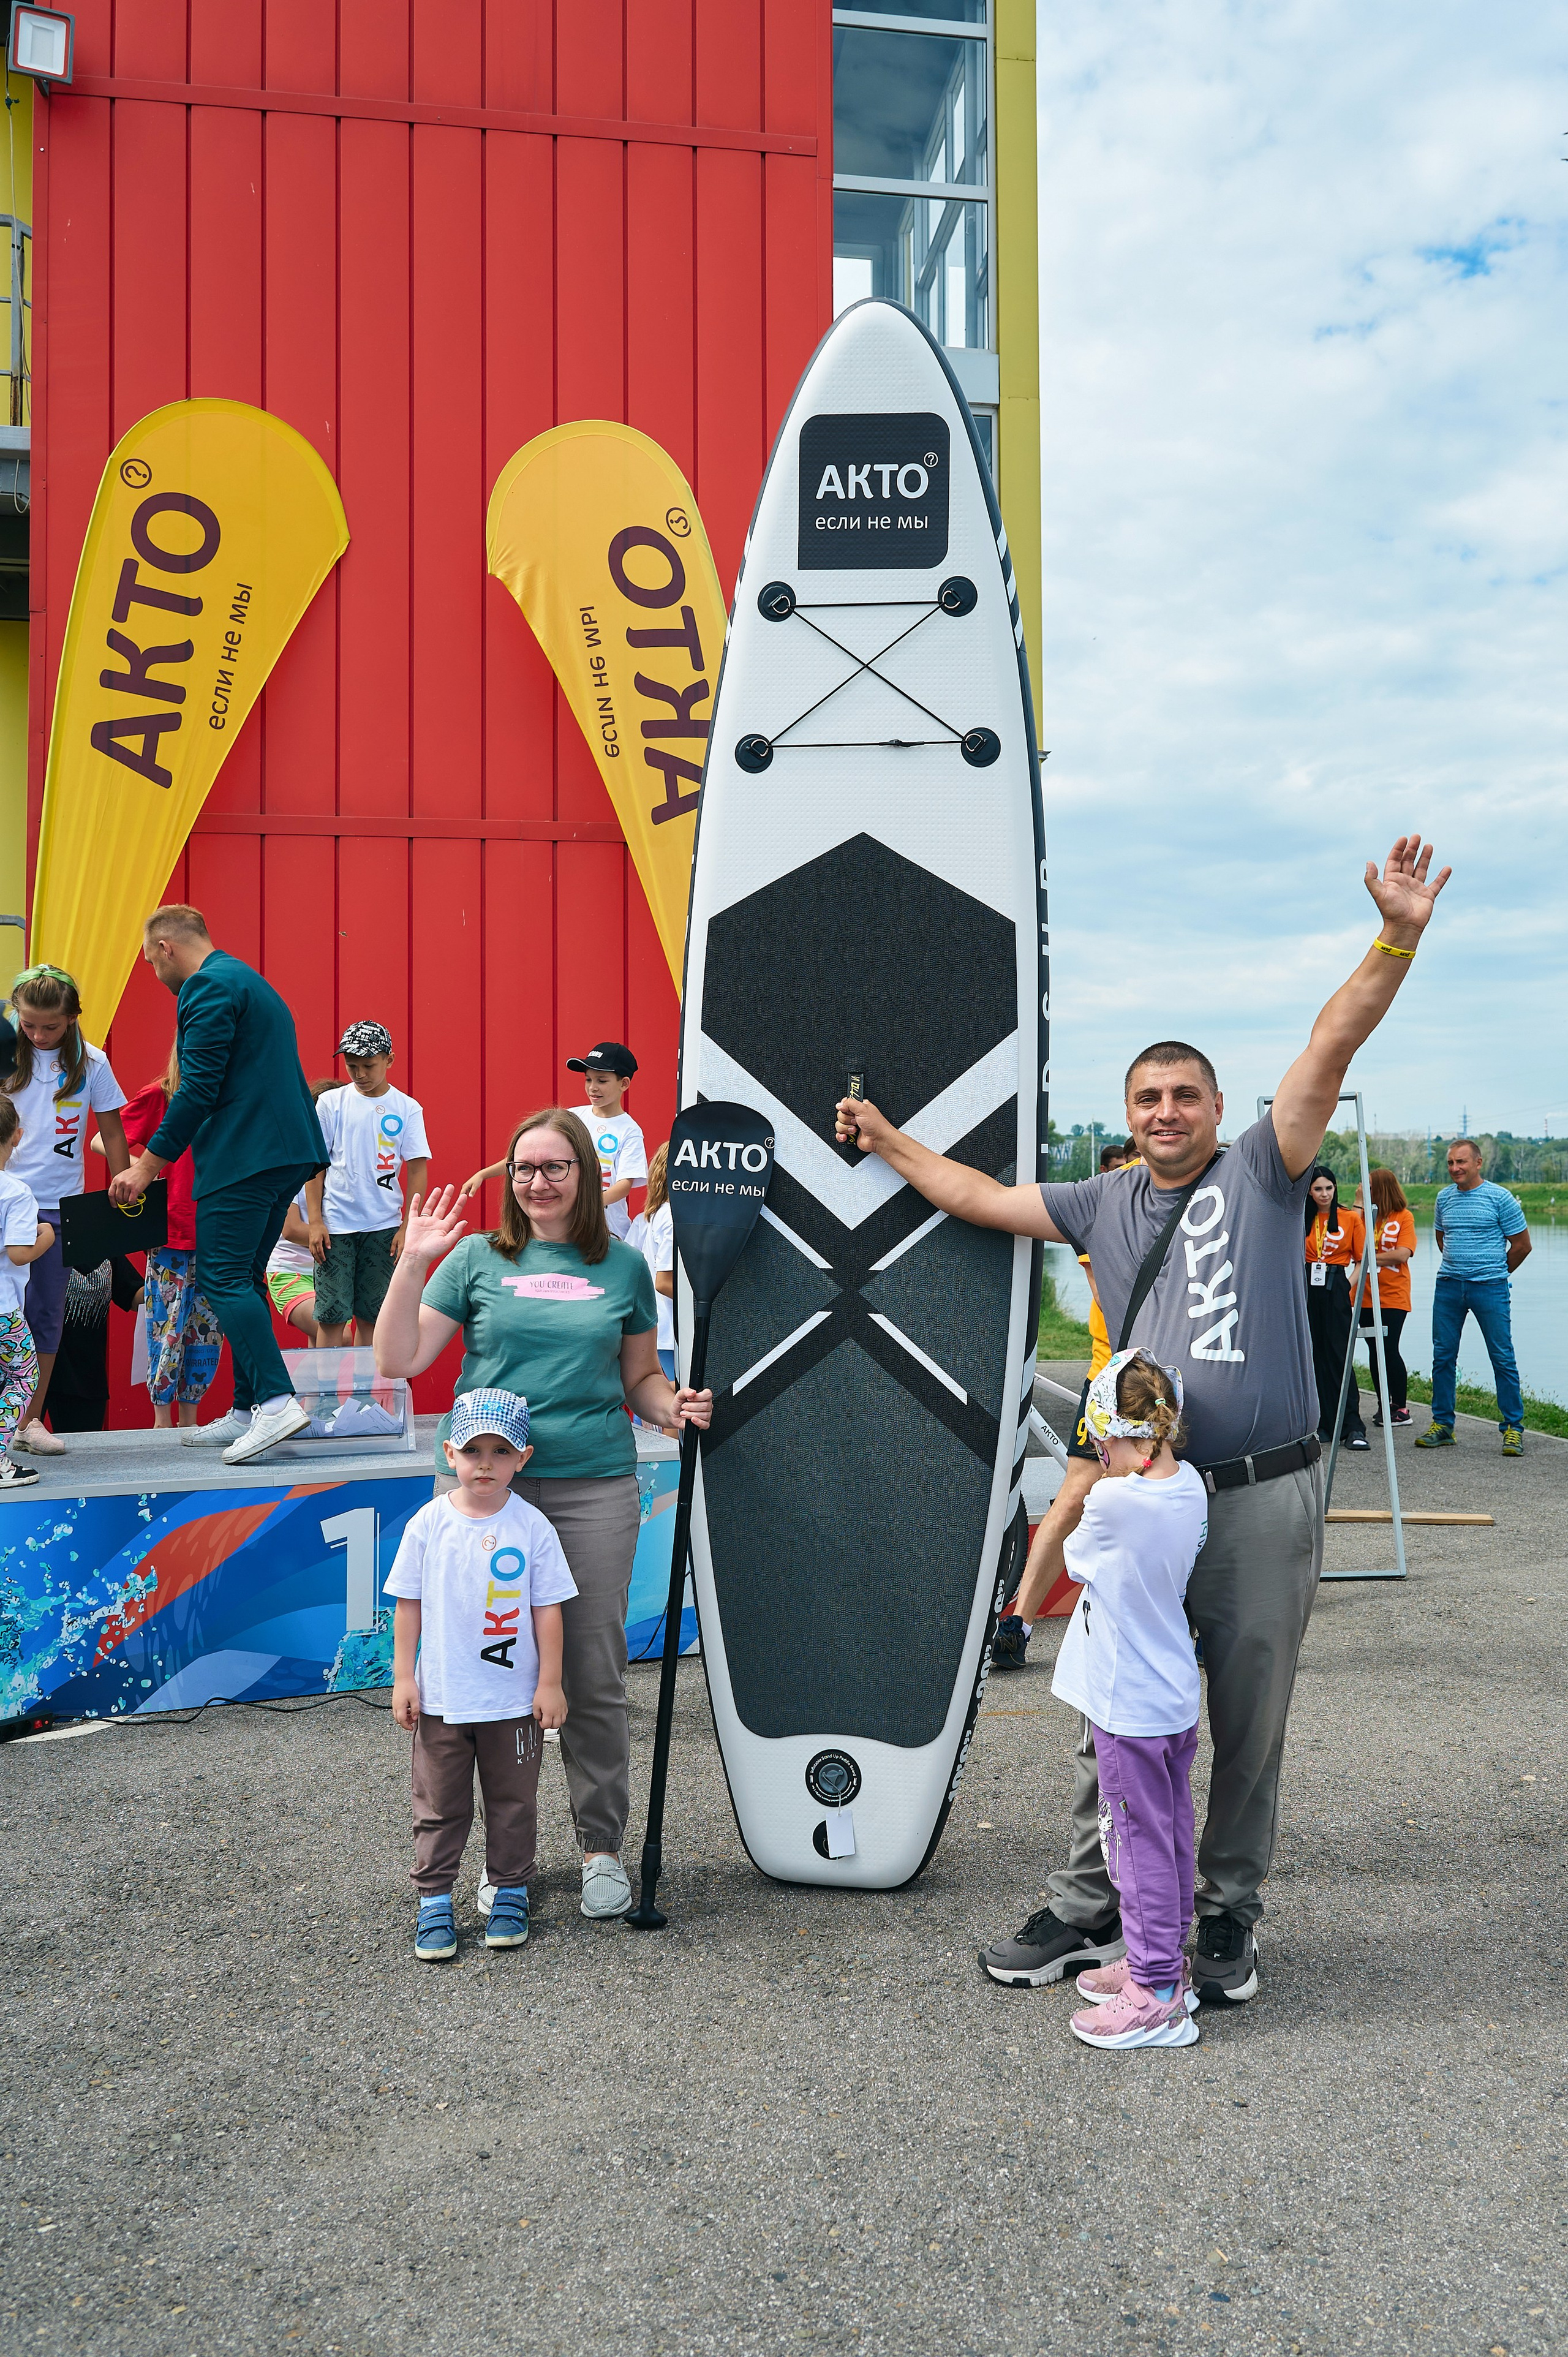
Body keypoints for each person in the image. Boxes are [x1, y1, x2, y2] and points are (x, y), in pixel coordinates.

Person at [835, 835, 1449, 2004]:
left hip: (1265, 1494)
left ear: (1220, 1108)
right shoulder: (1100, 1198)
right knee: (1114, 1703)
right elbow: (972, 1194)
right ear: (1127, 1114)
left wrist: (1398, 935)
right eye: (1148, 1097)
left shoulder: (1267, 1170)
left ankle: (1225, 1917)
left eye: (1186, 1096)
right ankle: (1092, 1899)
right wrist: (885, 1136)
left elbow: (1331, 1043)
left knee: (1248, 1717)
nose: (1167, 1111)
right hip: (1145, 1499)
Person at [374, 1108, 714, 1921]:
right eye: (525, 1167)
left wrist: (674, 1406)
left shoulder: (624, 1267)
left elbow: (638, 1379)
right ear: (510, 1176)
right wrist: (412, 1266)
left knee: (590, 1674)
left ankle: (601, 1848)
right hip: (484, 1494)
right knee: (486, 1674)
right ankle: (507, 1863)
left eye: (556, 1167)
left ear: (585, 1177)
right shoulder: (474, 1259)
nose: (539, 1182)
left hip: (592, 1485)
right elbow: (399, 1359)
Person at [108, 905, 328, 1467]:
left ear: (165, 949)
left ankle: (277, 1402)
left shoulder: (204, 988)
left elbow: (197, 1089)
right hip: (287, 1152)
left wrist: (145, 1167)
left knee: (222, 1276)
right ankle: (248, 1406)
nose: (156, 978)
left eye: (150, 963)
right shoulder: (250, 981)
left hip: (245, 1156)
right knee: (245, 1278)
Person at [1052, 1351, 1208, 2053]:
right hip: (1172, 1695)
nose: (1101, 1454)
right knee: (1170, 1832)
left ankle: (1155, 1996)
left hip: (1127, 1704)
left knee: (1134, 1845)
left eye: (1101, 1442)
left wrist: (1101, 1484)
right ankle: (1166, 1964)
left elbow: (1075, 1560)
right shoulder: (1192, 1486)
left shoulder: (1114, 1499)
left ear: (1113, 1431)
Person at [386, 1389, 577, 1961]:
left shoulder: (534, 1527)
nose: (486, 1463)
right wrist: (404, 1678)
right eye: (473, 1451)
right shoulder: (427, 1523)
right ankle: (435, 1902)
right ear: (450, 1453)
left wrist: (550, 1683)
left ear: (525, 1457)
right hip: (443, 1701)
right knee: (439, 1805)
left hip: (513, 1704)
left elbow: (549, 1609)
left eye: (501, 1450)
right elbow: (408, 1605)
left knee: (513, 1803)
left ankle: (511, 1890)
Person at [4, 964, 130, 1456]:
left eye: (50, 1026)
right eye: (28, 1023)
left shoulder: (93, 1065)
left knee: (46, 1316)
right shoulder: (6, 1054)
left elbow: (114, 1132)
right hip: (4, 1200)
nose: (38, 1035)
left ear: (74, 1018)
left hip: (60, 1211)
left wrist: (124, 1194)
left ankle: (29, 1420)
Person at [109, 1041, 222, 1429]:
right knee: (167, 1325)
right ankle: (162, 1420)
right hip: (171, 1231)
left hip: (216, 1231)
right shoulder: (161, 1095)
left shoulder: (228, 1096)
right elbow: (106, 1139)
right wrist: (143, 1171)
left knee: (206, 1330)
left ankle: (190, 1420)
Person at [306, 1022, 430, 1349]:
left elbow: (417, 1169)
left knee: (373, 1318)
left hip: (385, 1227)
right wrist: (316, 1221)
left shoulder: (407, 1108)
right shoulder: (330, 1103)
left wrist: (409, 1227)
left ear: (389, 1060)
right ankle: (327, 1400)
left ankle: (370, 1399)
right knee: (331, 1316)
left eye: (368, 1065)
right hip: (335, 1227)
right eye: (351, 1065)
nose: (359, 1073)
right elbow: (315, 1166)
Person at [1417, 1137, 1530, 1456]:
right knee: (1443, 1357)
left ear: (1478, 1163)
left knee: (1502, 1357)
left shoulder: (1500, 1198)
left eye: (1461, 1162)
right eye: (1451, 1163)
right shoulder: (1443, 1199)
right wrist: (1461, 1265)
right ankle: (1443, 1425)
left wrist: (1494, 1272)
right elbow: (1442, 1239)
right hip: (1450, 1286)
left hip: (1490, 1288)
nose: (1455, 1168)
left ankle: (1513, 1428)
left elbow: (1522, 1246)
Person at [0, 1096, 56, 1488]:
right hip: (3, 1309)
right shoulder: (16, 1192)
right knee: (23, 1376)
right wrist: (48, 1237)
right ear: (18, 1136)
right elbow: (20, 1254)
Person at [1303, 1166, 1368, 1449]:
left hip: (1336, 1286)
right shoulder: (1299, 1217)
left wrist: (1346, 1286)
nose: (1324, 1194)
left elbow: (1363, 1260)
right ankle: (1323, 1423)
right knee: (1312, 1356)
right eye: (1318, 1189)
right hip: (1306, 1288)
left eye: (1328, 1188)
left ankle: (1352, 1424)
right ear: (1309, 1191)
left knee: (1339, 1355)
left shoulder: (1349, 1218)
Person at [47, 1257, 143, 1434]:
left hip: (86, 1374)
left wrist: (165, 1282)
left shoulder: (104, 1245)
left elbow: (135, 1295)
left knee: (82, 1454)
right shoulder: (34, 1240)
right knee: (15, 1449)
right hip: (34, 1370)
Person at [1355, 1167, 1415, 1427]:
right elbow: (1350, 1235)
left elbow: (1402, 1254)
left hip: (1393, 1294)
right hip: (1365, 1294)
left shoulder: (1404, 1217)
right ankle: (1383, 1405)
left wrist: (1367, 1257)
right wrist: (1359, 1202)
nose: (1364, 1188)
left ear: (1381, 1187)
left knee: (1389, 1349)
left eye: (1368, 1186)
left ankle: (1400, 1407)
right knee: (1373, 1349)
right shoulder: (1367, 1216)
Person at [641, 1143, 676, 1381]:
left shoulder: (660, 1212)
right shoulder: (673, 1216)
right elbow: (663, 1282)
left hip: (663, 1328)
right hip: (672, 1331)